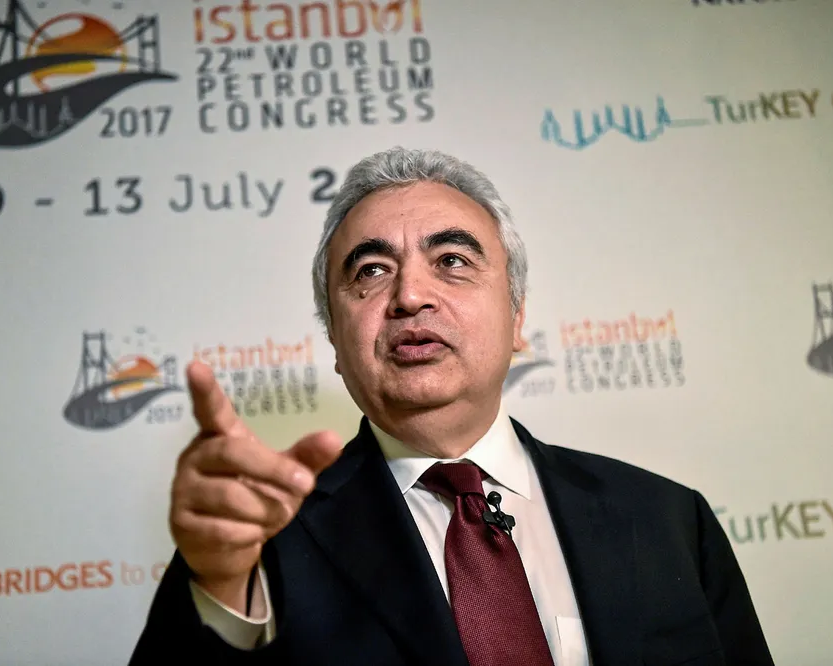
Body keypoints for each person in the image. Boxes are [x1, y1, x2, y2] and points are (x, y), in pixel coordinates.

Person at [129, 147, 774, 666]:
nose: (410, 294)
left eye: (453, 260)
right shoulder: (259, 546)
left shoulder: (666, 519)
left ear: (517, 317)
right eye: (371, 271)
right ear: (334, 340)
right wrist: (219, 588)